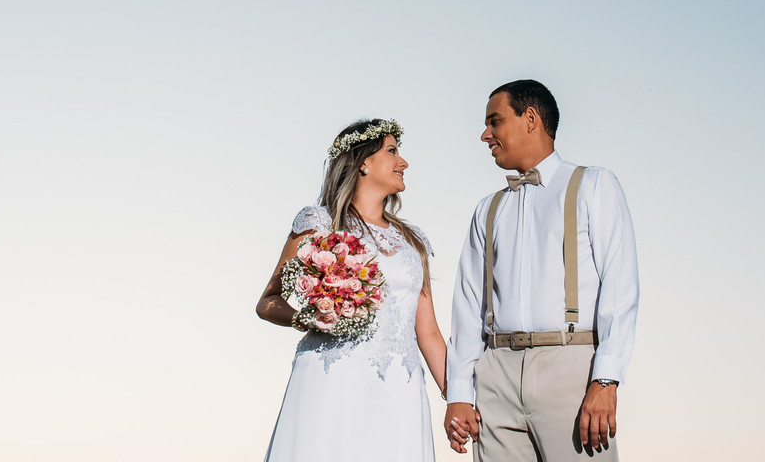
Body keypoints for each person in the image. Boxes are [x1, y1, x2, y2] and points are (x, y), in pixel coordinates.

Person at [444, 80, 639, 460]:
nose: (486, 135)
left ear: (530, 119)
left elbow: (621, 286)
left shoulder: (594, 185)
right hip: (495, 371)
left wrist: (605, 379)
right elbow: (468, 305)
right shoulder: (488, 208)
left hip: (571, 366)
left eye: (494, 121)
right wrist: (459, 393)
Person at [257, 118, 447, 461]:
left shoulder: (412, 240)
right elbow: (268, 302)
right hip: (330, 378)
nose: (403, 162)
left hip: (398, 386)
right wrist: (309, 318)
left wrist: (458, 394)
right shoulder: (318, 223)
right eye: (392, 151)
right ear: (363, 161)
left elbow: (429, 332)